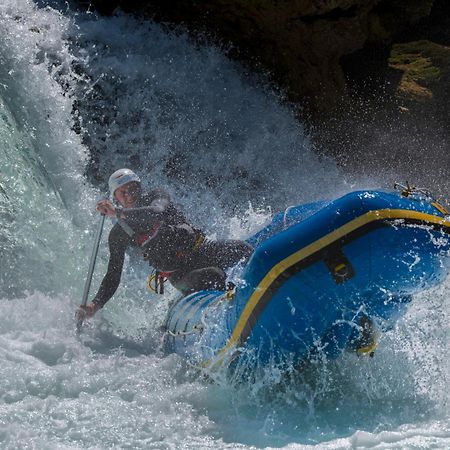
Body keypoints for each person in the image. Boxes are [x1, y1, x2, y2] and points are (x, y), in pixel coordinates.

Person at [78, 168, 253, 320]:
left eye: (132, 189)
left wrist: (118, 211)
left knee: (241, 248)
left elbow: (157, 212)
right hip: (181, 273)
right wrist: (94, 306)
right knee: (214, 275)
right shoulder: (119, 234)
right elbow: (113, 274)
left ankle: (263, 287)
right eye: (123, 192)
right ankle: (236, 312)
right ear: (115, 196)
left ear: (140, 187)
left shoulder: (157, 197)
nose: (129, 195)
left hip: (202, 249)